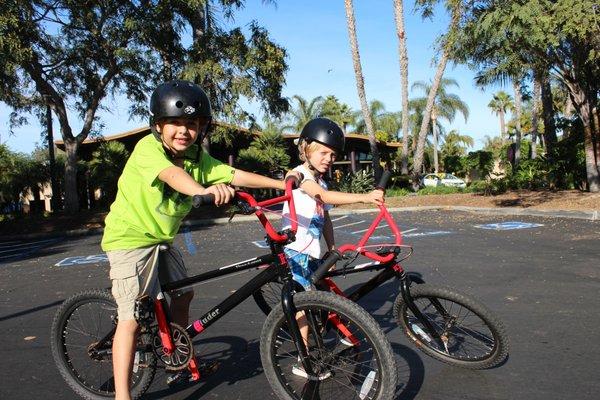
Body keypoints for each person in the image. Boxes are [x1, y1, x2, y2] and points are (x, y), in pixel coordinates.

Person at [101, 79, 299, 400]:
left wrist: (281, 184)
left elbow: (231, 174)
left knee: (183, 294)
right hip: (130, 241)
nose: (184, 131)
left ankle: (174, 360)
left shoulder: (195, 156)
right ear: (158, 126)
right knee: (132, 319)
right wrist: (202, 190)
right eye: (175, 123)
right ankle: (123, 395)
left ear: (201, 127)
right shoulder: (147, 150)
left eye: (191, 124)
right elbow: (171, 175)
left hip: (161, 240)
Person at [280, 117, 384, 379]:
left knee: (326, 292)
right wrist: (364, 196)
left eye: (333, 154)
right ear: (305, 149)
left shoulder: (322, 180)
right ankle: (302, 359)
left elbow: (325, 216)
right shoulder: (301, 175)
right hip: (296, 251)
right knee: (302, 304)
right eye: (323, 152)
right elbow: (320, 196)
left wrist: (333, 247)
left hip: (313, 250)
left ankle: (338, 330)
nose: (328, 158)